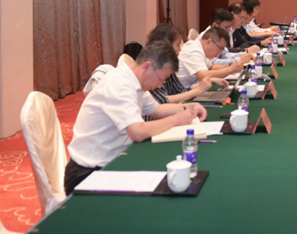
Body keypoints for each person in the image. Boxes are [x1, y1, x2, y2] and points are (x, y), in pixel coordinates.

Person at [64, 41, 208, 194]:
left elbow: (158, 110)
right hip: (87, 173)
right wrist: (176, 120)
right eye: (161, 79)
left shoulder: (135, 81)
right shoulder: (119, 85)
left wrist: (190, 107)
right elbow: (137, 132)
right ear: (146, 67)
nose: (160, 85)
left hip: (113, 160)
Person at [146, 24, 226, 107]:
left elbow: (181, 90)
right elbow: (162, 100)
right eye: (178, 45)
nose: (180, 49)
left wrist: (209, 81)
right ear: (166, 44)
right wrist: (198, 90)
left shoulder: (168, 63)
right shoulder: (153, 65)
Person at [177, 27, 243, 87]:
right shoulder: (192, 50)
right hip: (184, 91)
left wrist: (231, 66)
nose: (220, 52)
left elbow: (211, 67)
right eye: (220, 48)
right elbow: (204, 76)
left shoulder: (200, 48)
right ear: (209, 42)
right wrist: (230, 69)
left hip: (195, 88)